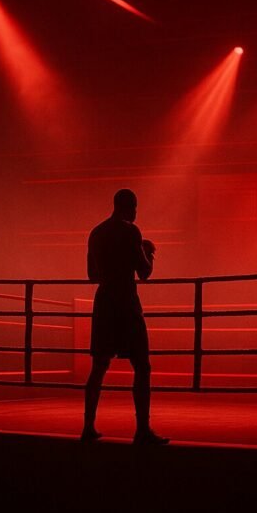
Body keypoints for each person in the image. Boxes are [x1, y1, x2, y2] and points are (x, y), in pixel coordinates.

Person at [82, 189, 169, 445]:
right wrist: (148, 251)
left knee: (99, 366)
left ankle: (88, 427)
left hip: (104, 301)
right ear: (130, 207)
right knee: (142, 366)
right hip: (127, 303)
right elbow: (144, 273)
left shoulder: (96, 233)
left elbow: (91, 275)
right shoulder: (131, 231)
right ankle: (142, 429)